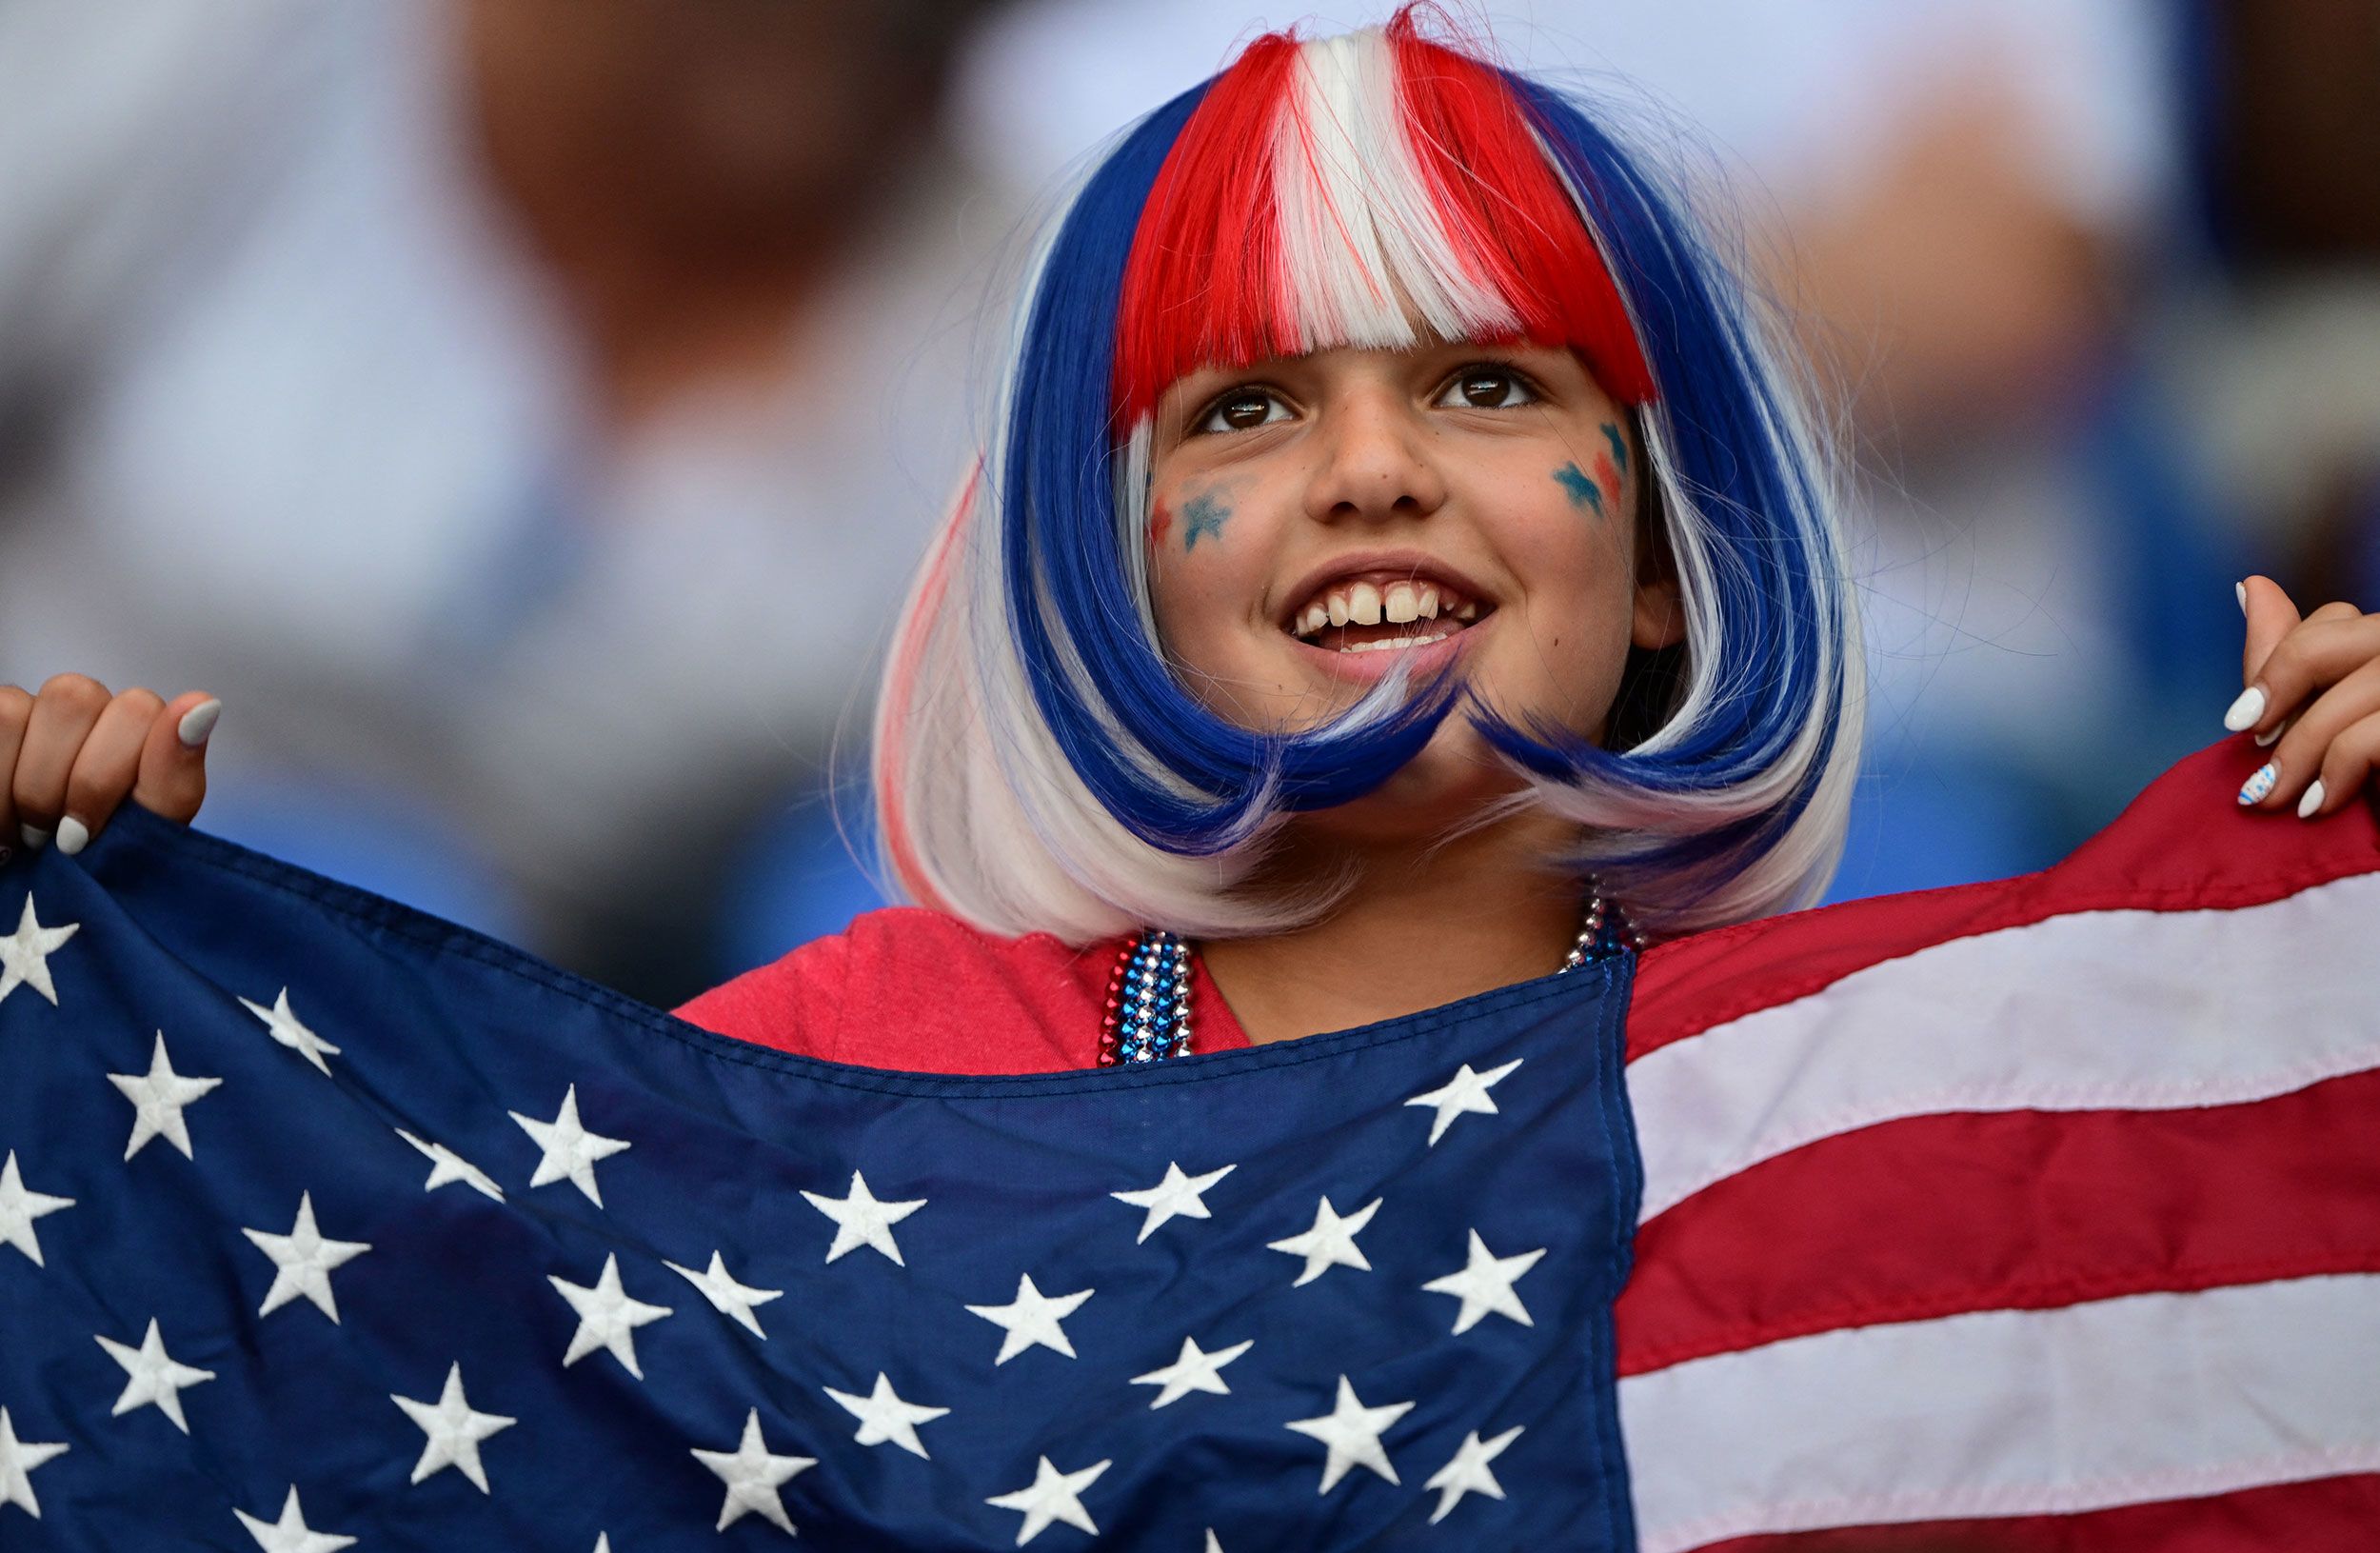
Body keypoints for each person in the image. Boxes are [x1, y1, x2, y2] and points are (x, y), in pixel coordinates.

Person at [4, 10, 2379, 1075]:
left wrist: (2342, 896)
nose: (1362, 470)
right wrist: (93, 901)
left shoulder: (1886, 1070)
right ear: (1113, 562)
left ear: (1663, 556)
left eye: (1481, 383)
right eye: (1244, 409)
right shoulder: (844, 1073)